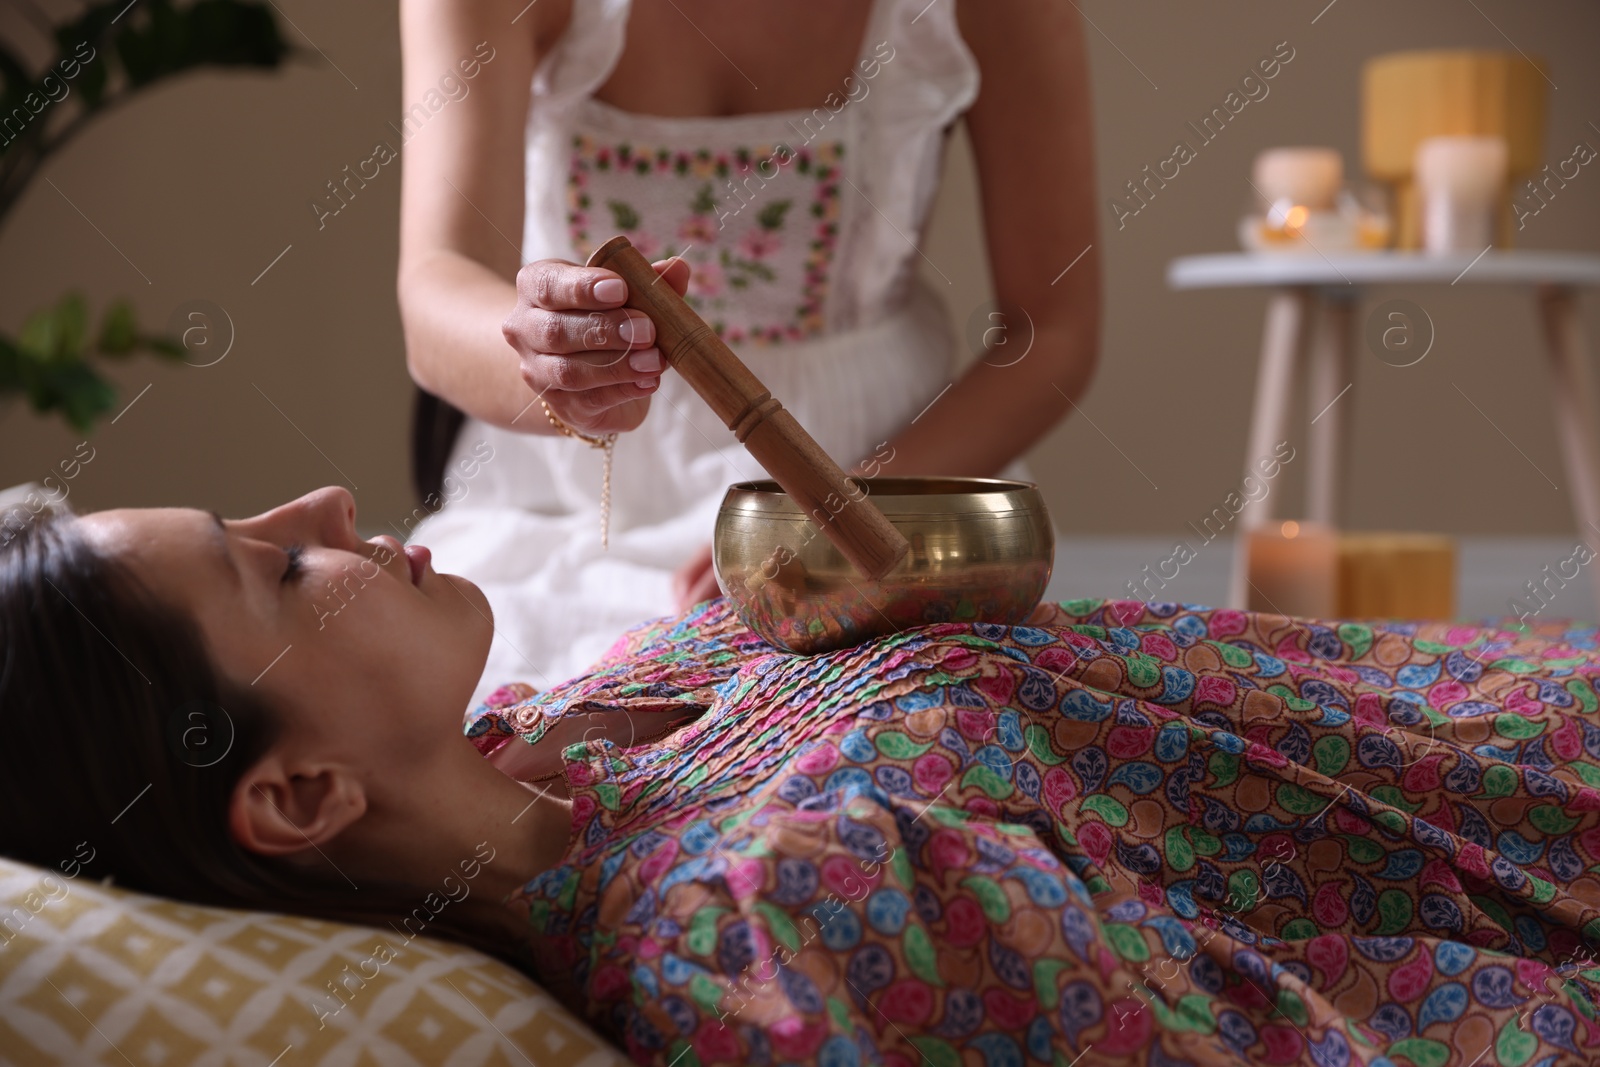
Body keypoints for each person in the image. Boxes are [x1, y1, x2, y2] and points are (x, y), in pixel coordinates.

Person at [4, 486, 1599, 1067]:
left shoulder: (568, 714)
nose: (327, 499)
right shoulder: (762, 935)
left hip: (1497, 715)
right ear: (298, 797)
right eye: (271, 570)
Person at [394, 0, 1101, 703]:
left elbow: (1053, 332)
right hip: (569, 513)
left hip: (890, 491)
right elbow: (436, 290)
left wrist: (838, 518)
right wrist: (551, 360)